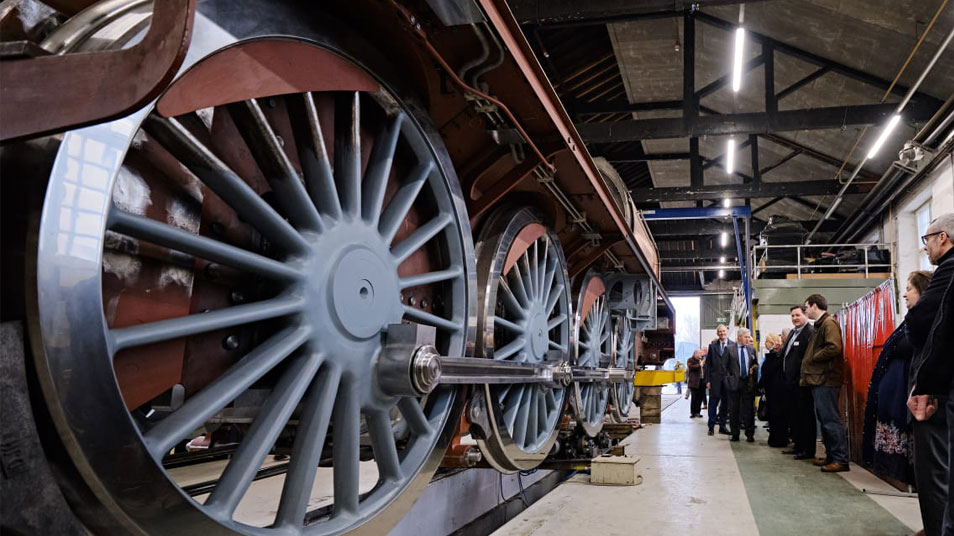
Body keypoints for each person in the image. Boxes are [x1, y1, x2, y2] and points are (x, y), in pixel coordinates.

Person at [906, 213, 954, 536]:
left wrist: (925, 385)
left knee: (937, 470)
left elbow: (935, 328)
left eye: (927, 239)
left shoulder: (948, 271)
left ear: (943, 238)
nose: (925, 247)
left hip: (942, 388)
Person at [863, 272, 930, 488]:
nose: (905, 294)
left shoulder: (925, 321)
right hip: (895, 393)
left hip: (908, 393)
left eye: (910, 289)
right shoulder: (910, 320)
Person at [801, 294, 849, 472]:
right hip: (821, 379)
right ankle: (832, 456)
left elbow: (834, 347)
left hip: (826, 379)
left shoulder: (829, 324)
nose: (805, 311)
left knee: (830, 420)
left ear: (814, 306)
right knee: (825, 419)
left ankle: (840, 459)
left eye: (806, 307)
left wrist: (814, 357)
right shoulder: (821, 325)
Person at [780, 305, 817, 460]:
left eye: (797, 315)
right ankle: (798, 445)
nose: (794, 318)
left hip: (802, 383)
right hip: (791, 384)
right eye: (792, 316)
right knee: (795, 416)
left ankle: (807, 449)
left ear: (805, 315)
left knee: (805, 417)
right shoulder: (793, 333)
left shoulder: (809, 333)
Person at [724, 328, 758, 442]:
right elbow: (723, 367)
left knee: (749, 410)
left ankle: (750, 434)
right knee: (734, 410)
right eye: (746, 337)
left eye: (749, 337)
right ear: (739, 337)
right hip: (734, 384)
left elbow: (755, 364)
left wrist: (753, 368)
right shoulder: (729, 349)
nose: (748, 339)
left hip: (747, 384)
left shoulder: (751, 349)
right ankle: (735, 434)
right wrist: (728, 380)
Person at [759, 333, 787, 447]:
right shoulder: (779, 357)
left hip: (773, 390)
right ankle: (780, 438)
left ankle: (777, 439)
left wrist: (760, 386)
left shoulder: (772, 358)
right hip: (778, 390)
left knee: (775, 416)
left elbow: (766, 373)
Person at [704, 325, 732, 436]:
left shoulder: (732, 345)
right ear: (717, 333)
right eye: (720, 331)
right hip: (714, 380)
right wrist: (707, 380)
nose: (722, 333)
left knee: (725, 404)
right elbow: (708, 365)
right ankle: (711, 427)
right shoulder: (712, 347)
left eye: (724, 331)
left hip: (727, 380)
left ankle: (722, 426)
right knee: (713, 404)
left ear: (727, 332)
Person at [687, 349, 705, 418]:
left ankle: (698, 412)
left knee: (700, 397)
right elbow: (691, 367)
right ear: (695, 354)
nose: (701, 354)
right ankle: (693, 412)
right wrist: (700, 365)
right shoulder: (690, 360)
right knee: (694, 398)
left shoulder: (702, 360)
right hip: (694, 382)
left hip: (702, 381)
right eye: (700, 353)